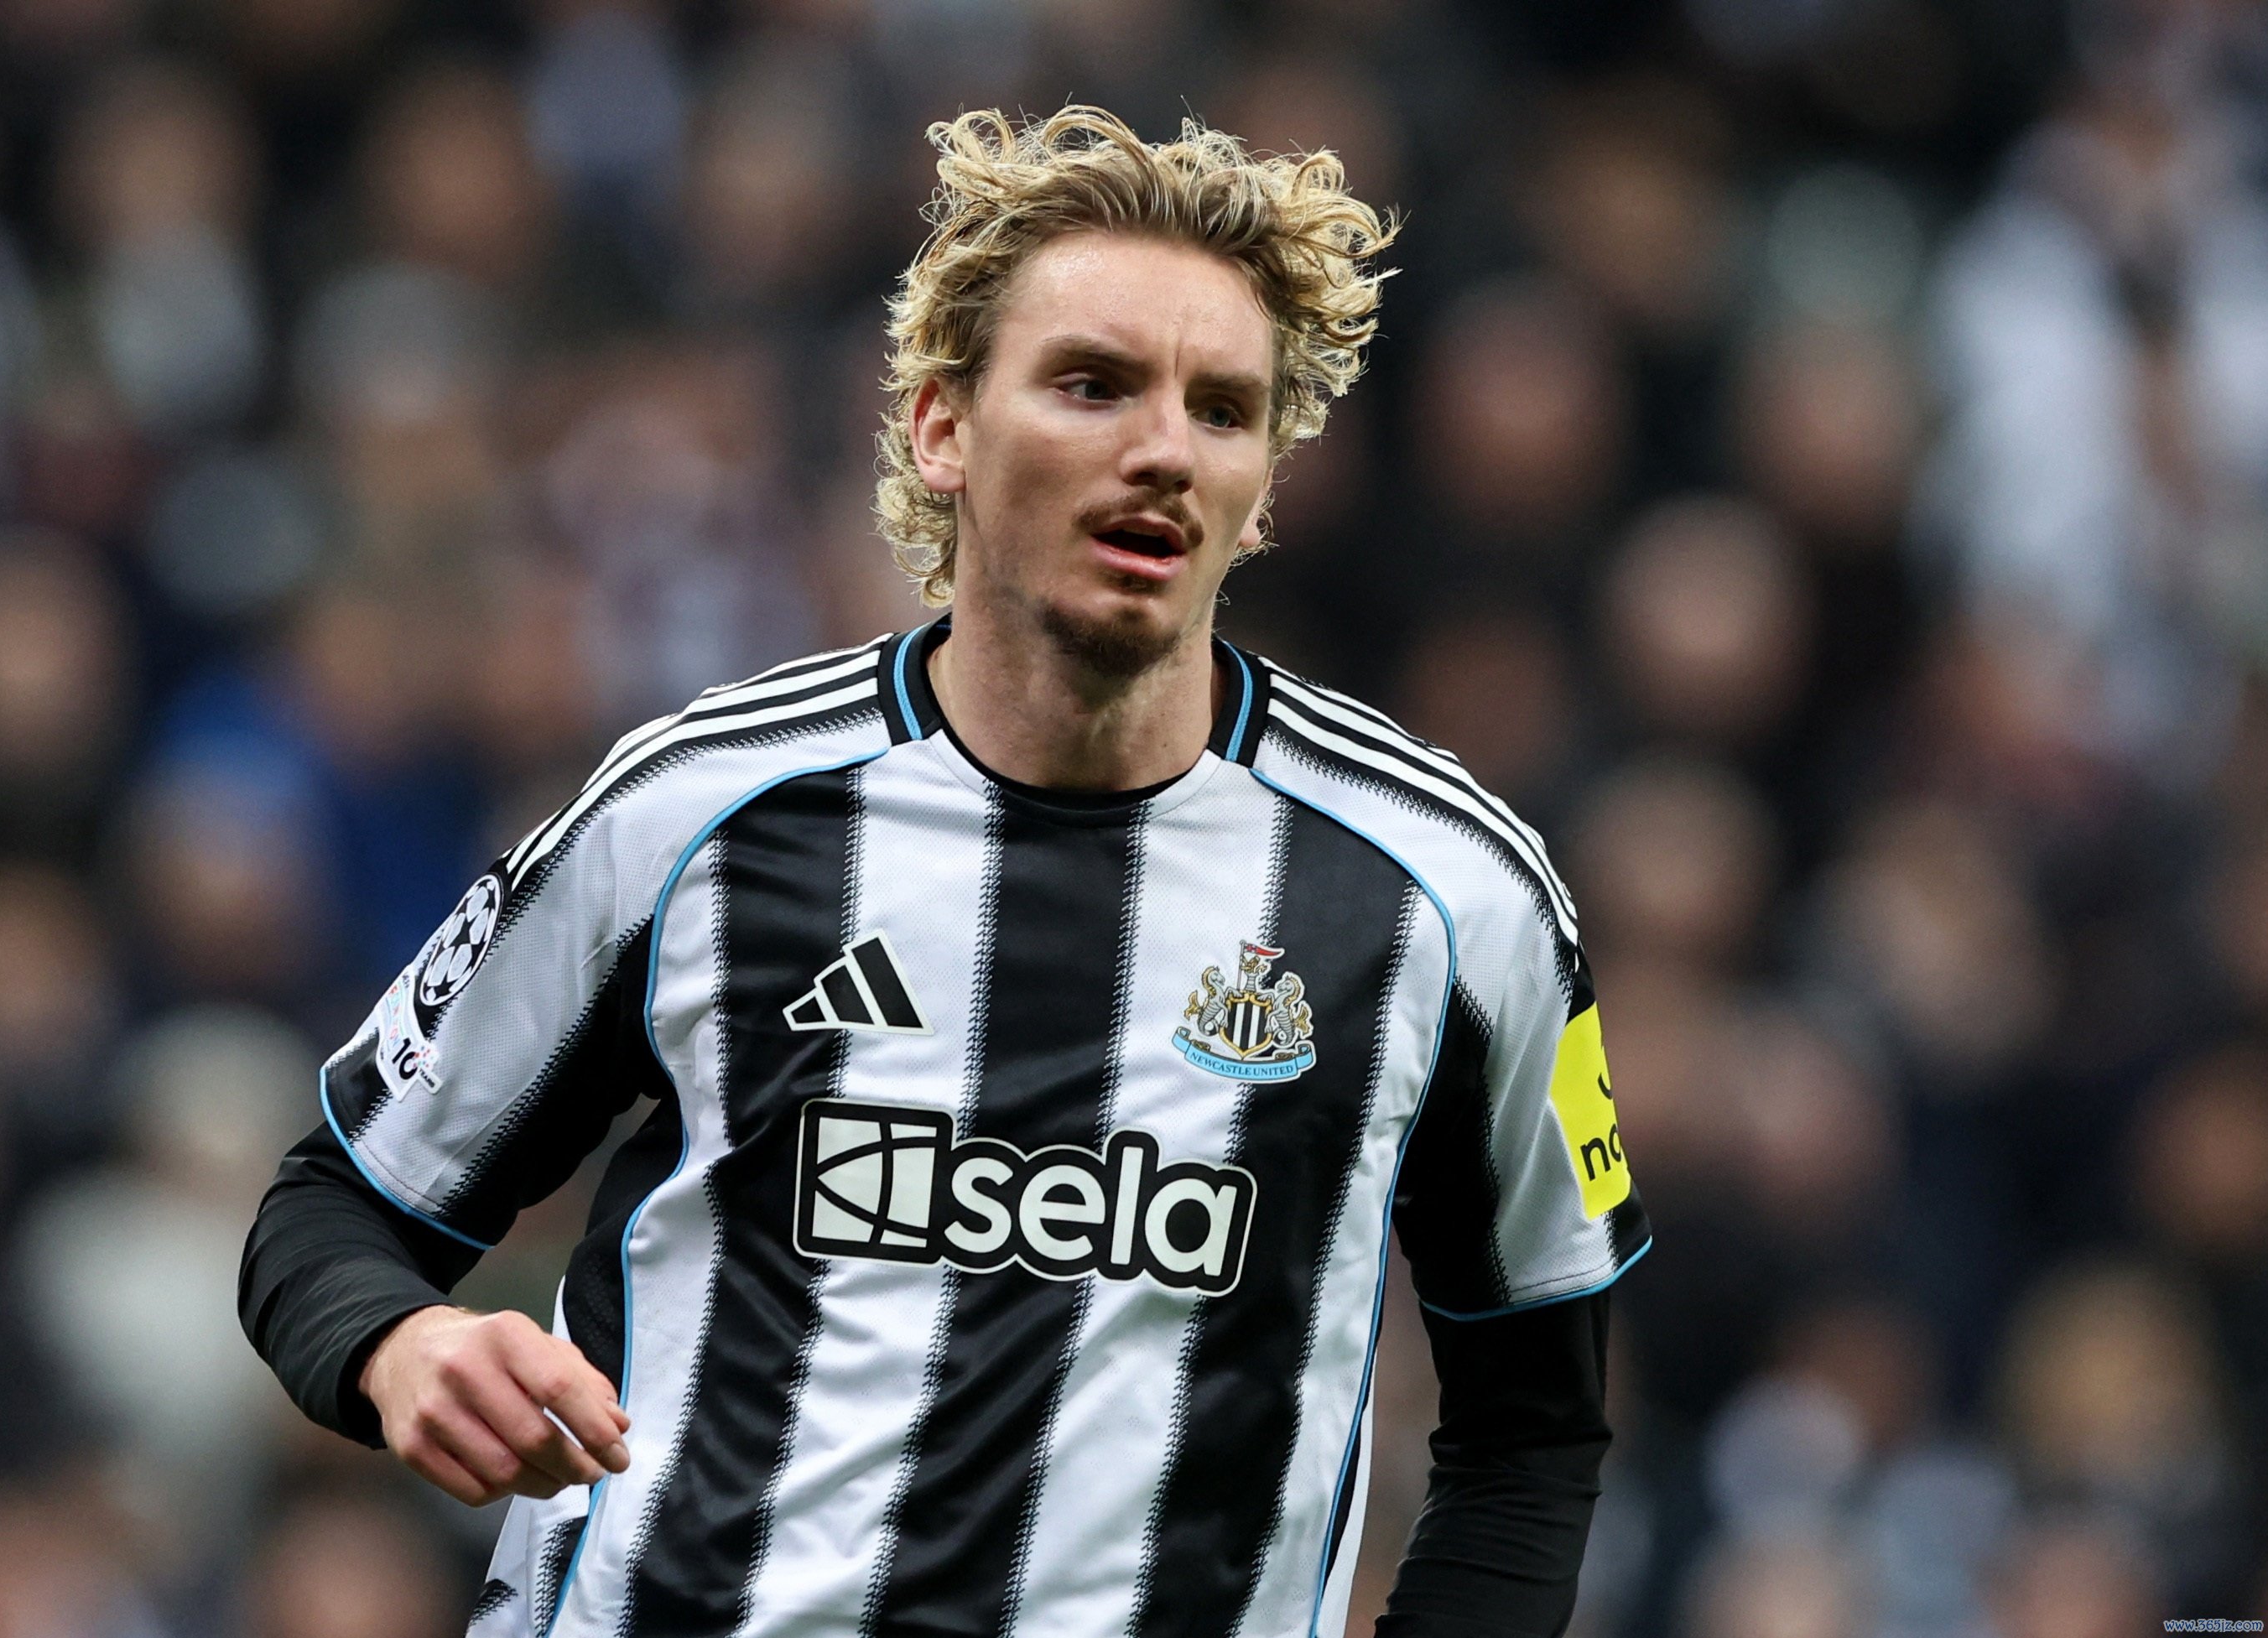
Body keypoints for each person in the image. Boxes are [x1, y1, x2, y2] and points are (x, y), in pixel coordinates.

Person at [239, 106, 1649, 1638]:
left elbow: (1532, 1430)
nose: (1162, 450)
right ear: (940, 429)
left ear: (1261, 485)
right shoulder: (696, 812)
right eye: (1092, 385)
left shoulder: (1450, 894)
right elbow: (336, 1204)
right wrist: (398, 1347)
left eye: (1222, 409)